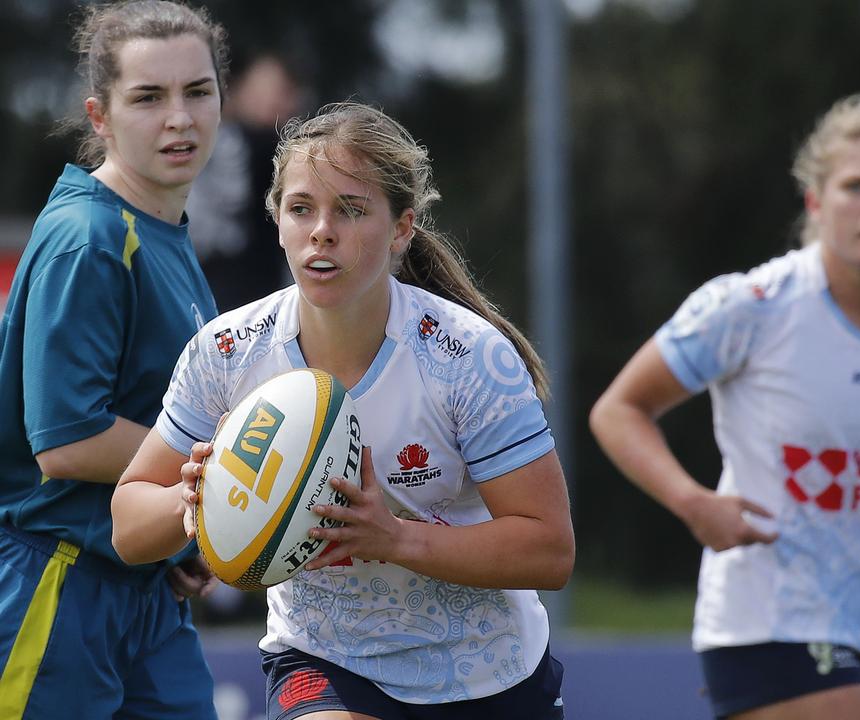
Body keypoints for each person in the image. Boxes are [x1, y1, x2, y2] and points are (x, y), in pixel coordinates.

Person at [111, 102, 574, 720]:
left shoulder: (468, 358)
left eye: (351, 210)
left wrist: (397, 539)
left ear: (402, 229)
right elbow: (127, 522)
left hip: (486, 678)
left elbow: (550, 551)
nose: (321, 231)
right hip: (323, 660)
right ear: (276, 221)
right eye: (301, 209)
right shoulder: (226, 353)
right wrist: (190, 503)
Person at [589, 93, 860, 720]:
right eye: (856, 186)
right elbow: (618, 410)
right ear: (817, 203)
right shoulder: (754, 304)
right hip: (763, 616)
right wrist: (693, 503)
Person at [0, 2, 226, 718]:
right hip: (56, 587)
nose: (180, 119)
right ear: (100, 117)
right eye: (149, 98)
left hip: (145, 596)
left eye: (198, 91)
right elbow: (67, 440)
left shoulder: (164, 232)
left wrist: (177, 528)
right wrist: (222, 475)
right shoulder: (90, 238)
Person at [187, 52, 304, 310]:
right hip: (215, 290)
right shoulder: (215, 143)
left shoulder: (290, 153)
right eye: (274, 90)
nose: (281, 102)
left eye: (287, 92)